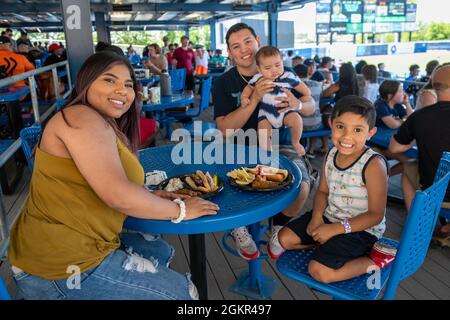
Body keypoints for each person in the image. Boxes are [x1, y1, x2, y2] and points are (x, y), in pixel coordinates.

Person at [8, 51, 219, 300]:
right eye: (109, 80)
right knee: (183, 294)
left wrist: (147, 194)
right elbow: (117, 195)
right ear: (85, 83)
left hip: (80, 245)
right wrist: (182, 210)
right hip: (58, 266)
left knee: (159, 249)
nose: (122, 90)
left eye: (128, 84)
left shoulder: (103, 122)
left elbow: (98, 181)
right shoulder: (80, 116)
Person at [213, 23, 315, 260]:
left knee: (302, 187)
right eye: (236, 46)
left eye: (248, 41)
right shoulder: (224, 83)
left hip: (282, 145)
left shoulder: (282, 70)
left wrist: (296, 105)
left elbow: (310, 107)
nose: (244, 49)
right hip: (238, 147)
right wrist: (254, 97)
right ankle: (239, 227)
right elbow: (225, 129)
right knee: (230, 187)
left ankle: (278, 226)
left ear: (258, 40)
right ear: (229, 53)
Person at [273, 96, 390, 284]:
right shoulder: (331, 153)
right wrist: (317, 217)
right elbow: (322, 192)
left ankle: (375, 260)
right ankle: (326, 240)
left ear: (370, 133)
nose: (346, 137)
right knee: (284, 239)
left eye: (358, 130)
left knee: (320, 271)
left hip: (361, 229)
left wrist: (336, 229)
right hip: (331, 216)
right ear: (331, 123)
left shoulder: (373, 164)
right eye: (340, 126)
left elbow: (376, 215)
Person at [388, 64, 450, 247]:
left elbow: (394, 148)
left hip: (435, 190)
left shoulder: (420, 117)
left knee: (409, 167)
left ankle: (418, 224)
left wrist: (419, 137)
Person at [240, 46, 311, 156]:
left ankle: (296, 142)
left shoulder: (289, 76)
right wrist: (244, 98)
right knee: (263, 132)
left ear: (282, 62)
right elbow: (248, 88)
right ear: (259, 69)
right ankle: (268, 153)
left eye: (277, 65)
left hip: (285, 110)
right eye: (268, 68)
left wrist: (303, 99)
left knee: (296, 120)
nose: (274, 70)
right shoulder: (258, 78)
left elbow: (305, 91)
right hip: (266, 113)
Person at [373, 80, 414, 176]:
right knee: (410, 161)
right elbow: (392, 125)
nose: (403, 93)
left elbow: (411, 118)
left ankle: (385, 176)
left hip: (389, 142)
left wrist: (407, 103)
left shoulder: (397, 106)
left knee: (410, 162)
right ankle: (383, 176)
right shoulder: (380, 105)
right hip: (376, 143)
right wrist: (403, 120)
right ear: (390, 95)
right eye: (400, 91)